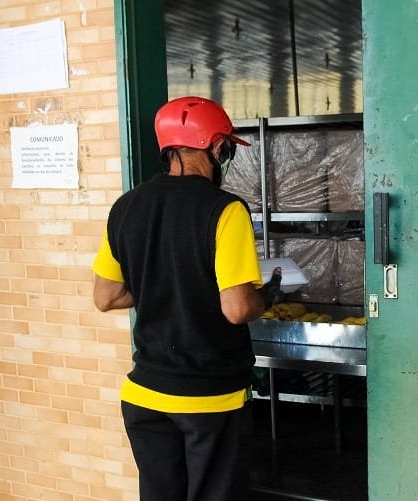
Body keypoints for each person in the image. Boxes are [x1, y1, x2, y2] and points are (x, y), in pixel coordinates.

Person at [92, 96, 283, 500]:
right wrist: (267, 296)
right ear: (217, 146)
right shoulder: (225, 210)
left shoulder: (125, 207)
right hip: (209, 399)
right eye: (227, 148)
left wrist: (163, 284)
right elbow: (237, 308)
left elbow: (106, 296)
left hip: (144, 396)